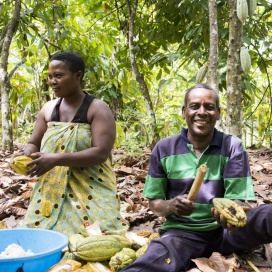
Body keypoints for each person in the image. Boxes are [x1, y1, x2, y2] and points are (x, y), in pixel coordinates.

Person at [121, 84, 272, 272]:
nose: (202, 112)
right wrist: (171, 206)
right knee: (153, 260)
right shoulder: (164, 148)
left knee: (267, 214)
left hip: (228, 232)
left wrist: (231, 211)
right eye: (194, 106)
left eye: (209, 107)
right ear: (184, 112)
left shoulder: (232, 145)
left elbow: (238, 198)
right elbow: (154, 203)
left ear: (218, 113)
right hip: (183, 234)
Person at [21, 52, 128, 237]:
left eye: (59, 76)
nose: (53, 81)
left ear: (78, 76)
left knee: (101, 238)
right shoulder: (48, 109)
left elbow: (100, 153)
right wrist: (26, 156)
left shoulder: (97, 108)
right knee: (38, 238)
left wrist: (56, 159)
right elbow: (33, 143)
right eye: (50, 76)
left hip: (91, 187)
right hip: (50, 190)